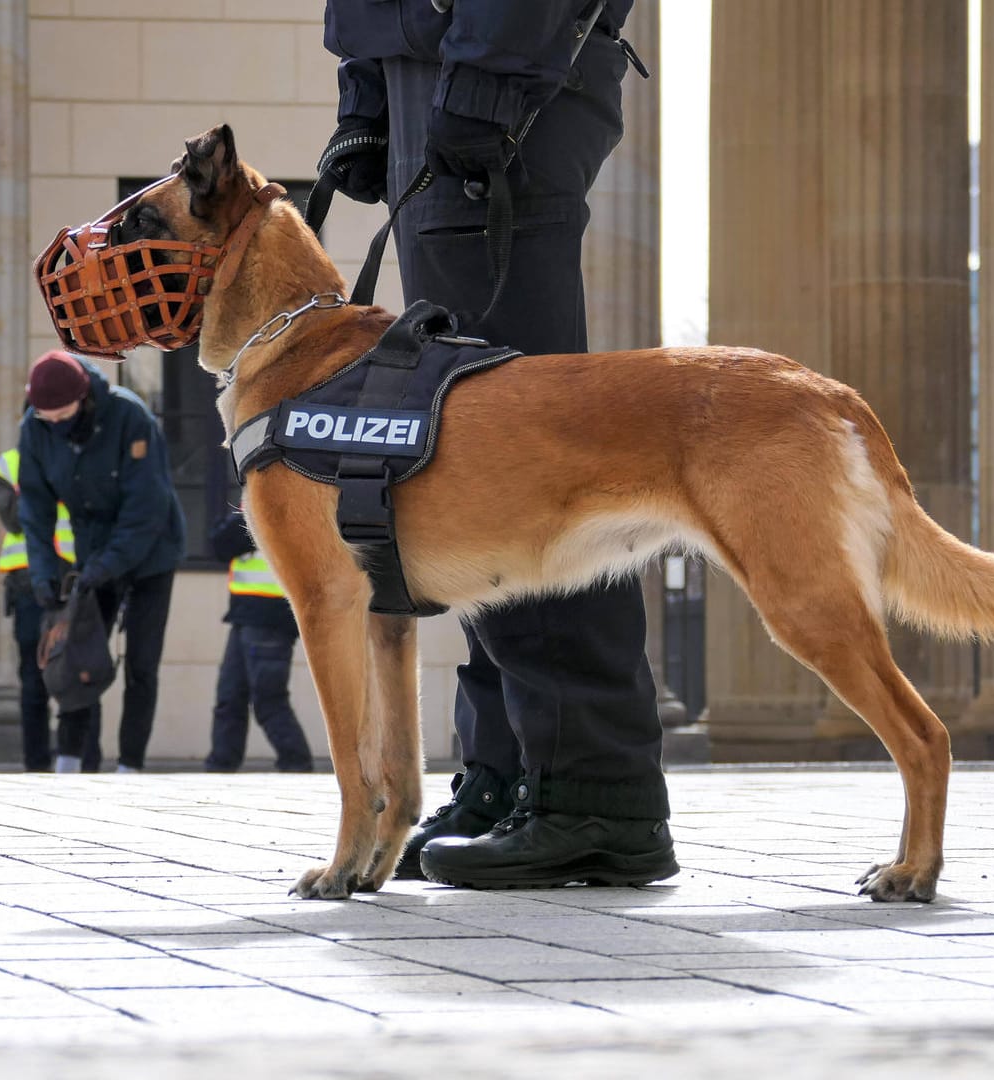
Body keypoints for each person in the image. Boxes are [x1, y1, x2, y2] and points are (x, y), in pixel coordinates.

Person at [321, 0, 677, 888]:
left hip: (501, 81)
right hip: (441, 82)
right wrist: (367, 96)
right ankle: (509, 770)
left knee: (531, 473)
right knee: (474, 473)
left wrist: (483, 78)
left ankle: (597, 792)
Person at [16, 351, 185, 773]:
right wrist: (43, 574)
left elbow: (145, 510)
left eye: (63, 415)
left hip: (151, 552)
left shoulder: (131, 417)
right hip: (92, 553)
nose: (55, 423)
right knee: (78, 657)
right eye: (46, 417)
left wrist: (106, 566)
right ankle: (69, 763)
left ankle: (130, 766)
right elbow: (34, 513)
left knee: (141, 665)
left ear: (84, 400)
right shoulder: (34, 428)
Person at [0, 444, 88, 772]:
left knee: (78, 675)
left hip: (75, 577)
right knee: (33, 678)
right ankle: (37, 766)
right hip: (28, 581)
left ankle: (79, 761)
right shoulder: (8, 465)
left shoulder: (83, 456)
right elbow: (17, 521)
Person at [205, 509, 314, 774]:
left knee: (269, 699)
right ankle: (220, 767)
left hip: (270, 619)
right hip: (245, 616)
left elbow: (223, 541)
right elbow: (219, 545)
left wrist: (248, 510)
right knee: (229, 698)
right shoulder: (255, 511)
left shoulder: (277, 510)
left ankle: (297, 765)